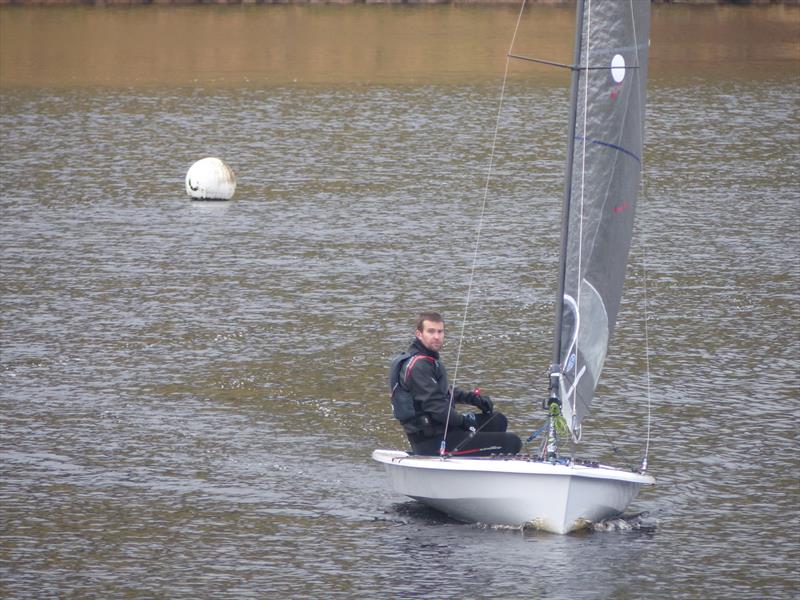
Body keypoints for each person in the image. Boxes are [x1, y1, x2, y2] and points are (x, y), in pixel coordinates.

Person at [390, 311, 522, 457]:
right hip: (433, 442)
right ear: (419, 334)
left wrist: (472, 399)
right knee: (512, 442)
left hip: (445, 431)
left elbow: (443, 391)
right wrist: (464, 421)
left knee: (497, 420)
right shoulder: (418, 366)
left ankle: (474, 463)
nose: (436, 336)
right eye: (431, 331)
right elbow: (437, 407)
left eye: (440, 332)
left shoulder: (427, 359)